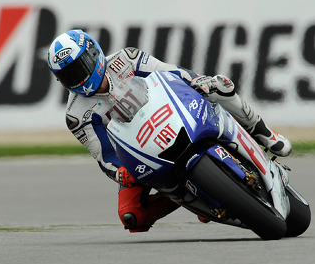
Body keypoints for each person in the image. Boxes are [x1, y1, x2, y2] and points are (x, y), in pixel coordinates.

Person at [47, 29, 292, 233]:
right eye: (67, 75)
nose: (76, 79)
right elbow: (104, 156)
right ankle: (203, 197)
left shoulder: (127, 58)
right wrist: (119, 173)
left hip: (173, 116)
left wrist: (197, 81)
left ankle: (263, 133)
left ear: (93, 54)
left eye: (79, 68)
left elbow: (171, 73)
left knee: (220, 86)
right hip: (140, 151)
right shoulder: (76, 115)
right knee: (131, 215)